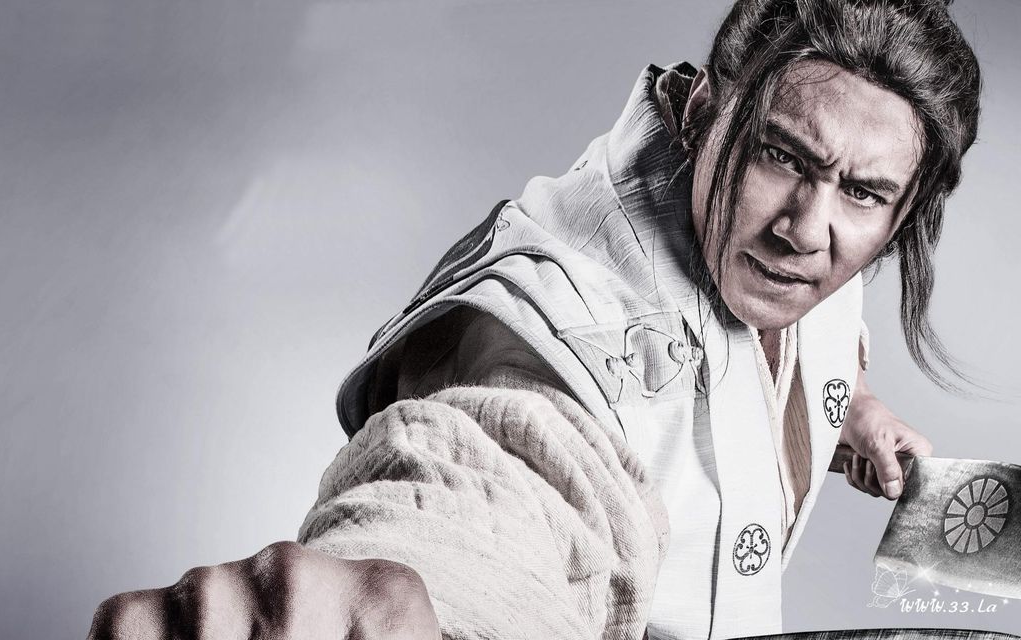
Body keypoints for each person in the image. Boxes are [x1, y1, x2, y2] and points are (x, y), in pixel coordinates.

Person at [86, 0, 981, 638]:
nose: (807, 232)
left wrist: (852, 412)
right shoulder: (561, 331)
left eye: (863, 194)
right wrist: (380, 601)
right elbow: (495, 486)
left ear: (901, 208)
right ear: (705, 113)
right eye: (782, 158)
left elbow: (808, 330)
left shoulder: (796, 231)